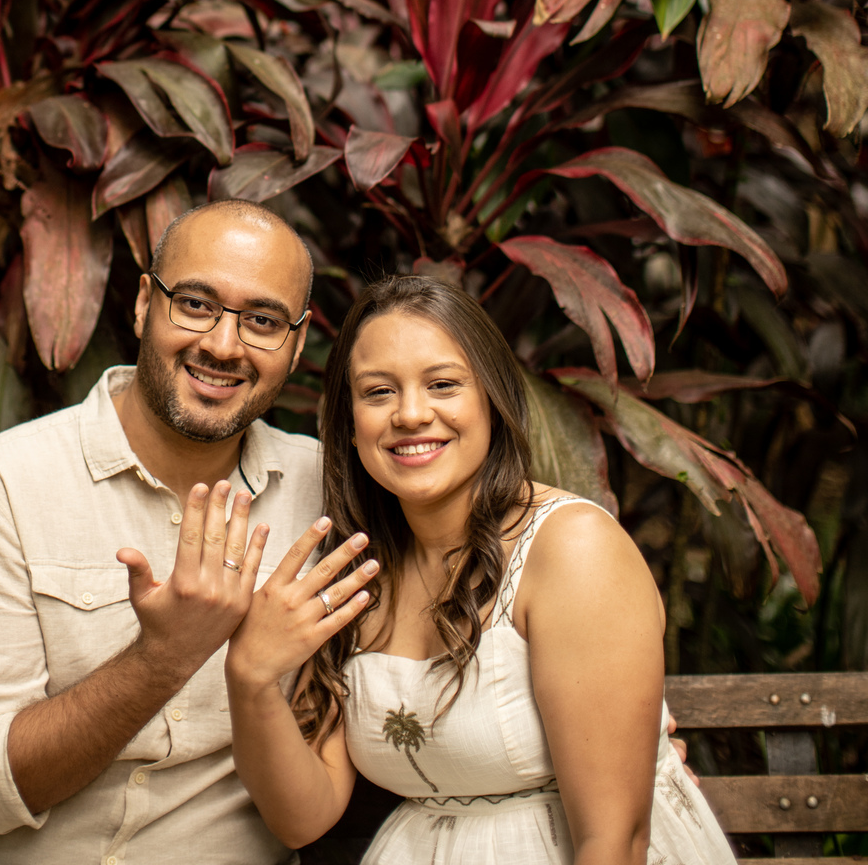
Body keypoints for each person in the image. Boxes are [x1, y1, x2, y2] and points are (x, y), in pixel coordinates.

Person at [224, 273, 729, 865]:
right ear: (349, 424)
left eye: (443, 384)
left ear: (493, 398)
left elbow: (614, 841)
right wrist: (252, 679)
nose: (411, 414)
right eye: (378, 392)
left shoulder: (571, 550)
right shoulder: (358, 568)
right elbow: (302, 818)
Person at [0, 198, 321, 864]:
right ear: (142, 306)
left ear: (297, 345)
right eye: (195, 304)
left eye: (263, 321)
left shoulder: (327, 491)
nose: (222, 344)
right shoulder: (2, 486)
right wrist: (163, 657)